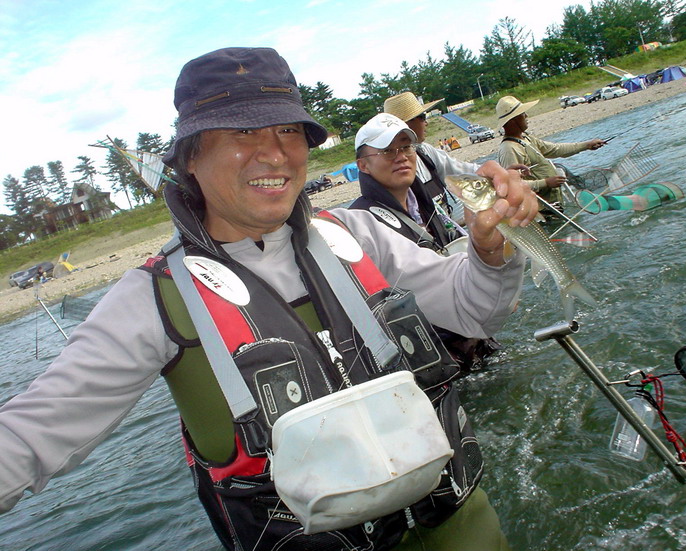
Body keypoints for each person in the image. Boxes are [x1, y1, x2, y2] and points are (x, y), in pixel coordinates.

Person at [0, 47, 537, 551]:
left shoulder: (357, 233)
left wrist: (491, 253)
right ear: (188, 157)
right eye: (241, 130)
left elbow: (474, 309)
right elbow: (30, 435)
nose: (273, 151)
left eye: (288, 129)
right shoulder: (152, 300)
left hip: (462, 525)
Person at [349, 113, 502, 371]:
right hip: (433, 363)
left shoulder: (424, 203)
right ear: (363, 165)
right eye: (387, 151)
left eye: (406, 147)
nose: (401, 156)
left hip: (474, 339)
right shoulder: (360, 226)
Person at [496, 95, 605, 214]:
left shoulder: (527, 139)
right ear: (513, 120)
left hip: (555, 207)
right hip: (541, 213)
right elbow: (512, 186)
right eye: (523, 113)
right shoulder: (508, 149)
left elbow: (556, 149)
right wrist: (545, 183)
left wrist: (587, 145)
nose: (526, 116)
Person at [384, 92, 480, 219]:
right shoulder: (391, 169)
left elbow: (462, 171)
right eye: (423, 117)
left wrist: (495, 171)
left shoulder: (425, 151)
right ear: (406, 124)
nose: (426, 123)